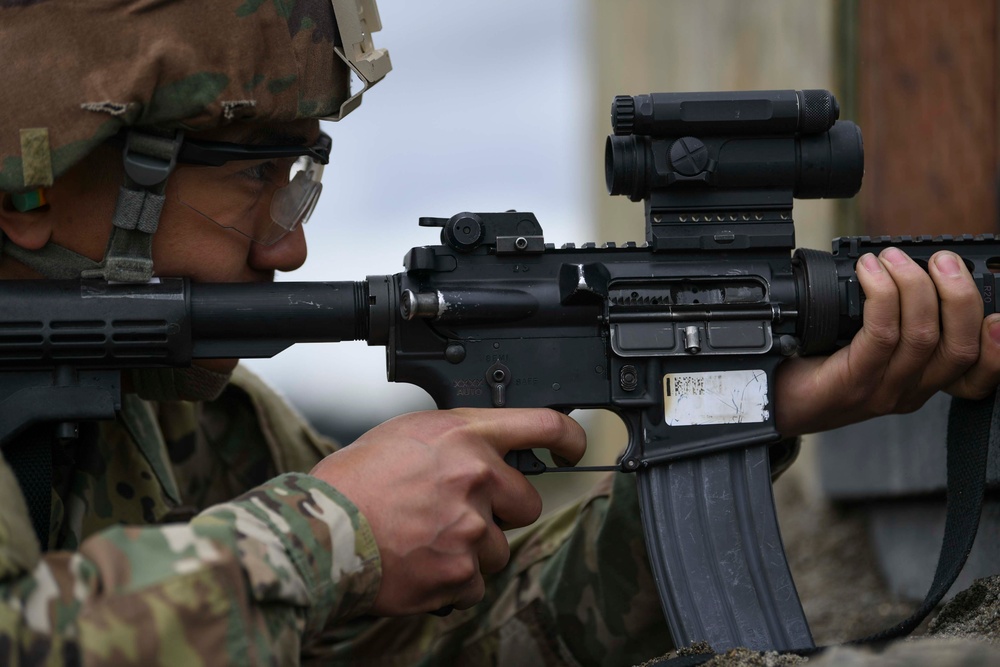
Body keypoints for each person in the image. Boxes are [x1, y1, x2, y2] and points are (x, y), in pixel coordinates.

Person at [0, 2, 998, 665]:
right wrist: (331, 532)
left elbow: (458, 648)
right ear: (35, 189)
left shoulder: (188, 421)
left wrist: (747, 414)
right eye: (255, 178)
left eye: (304, 180)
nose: (290, 247)